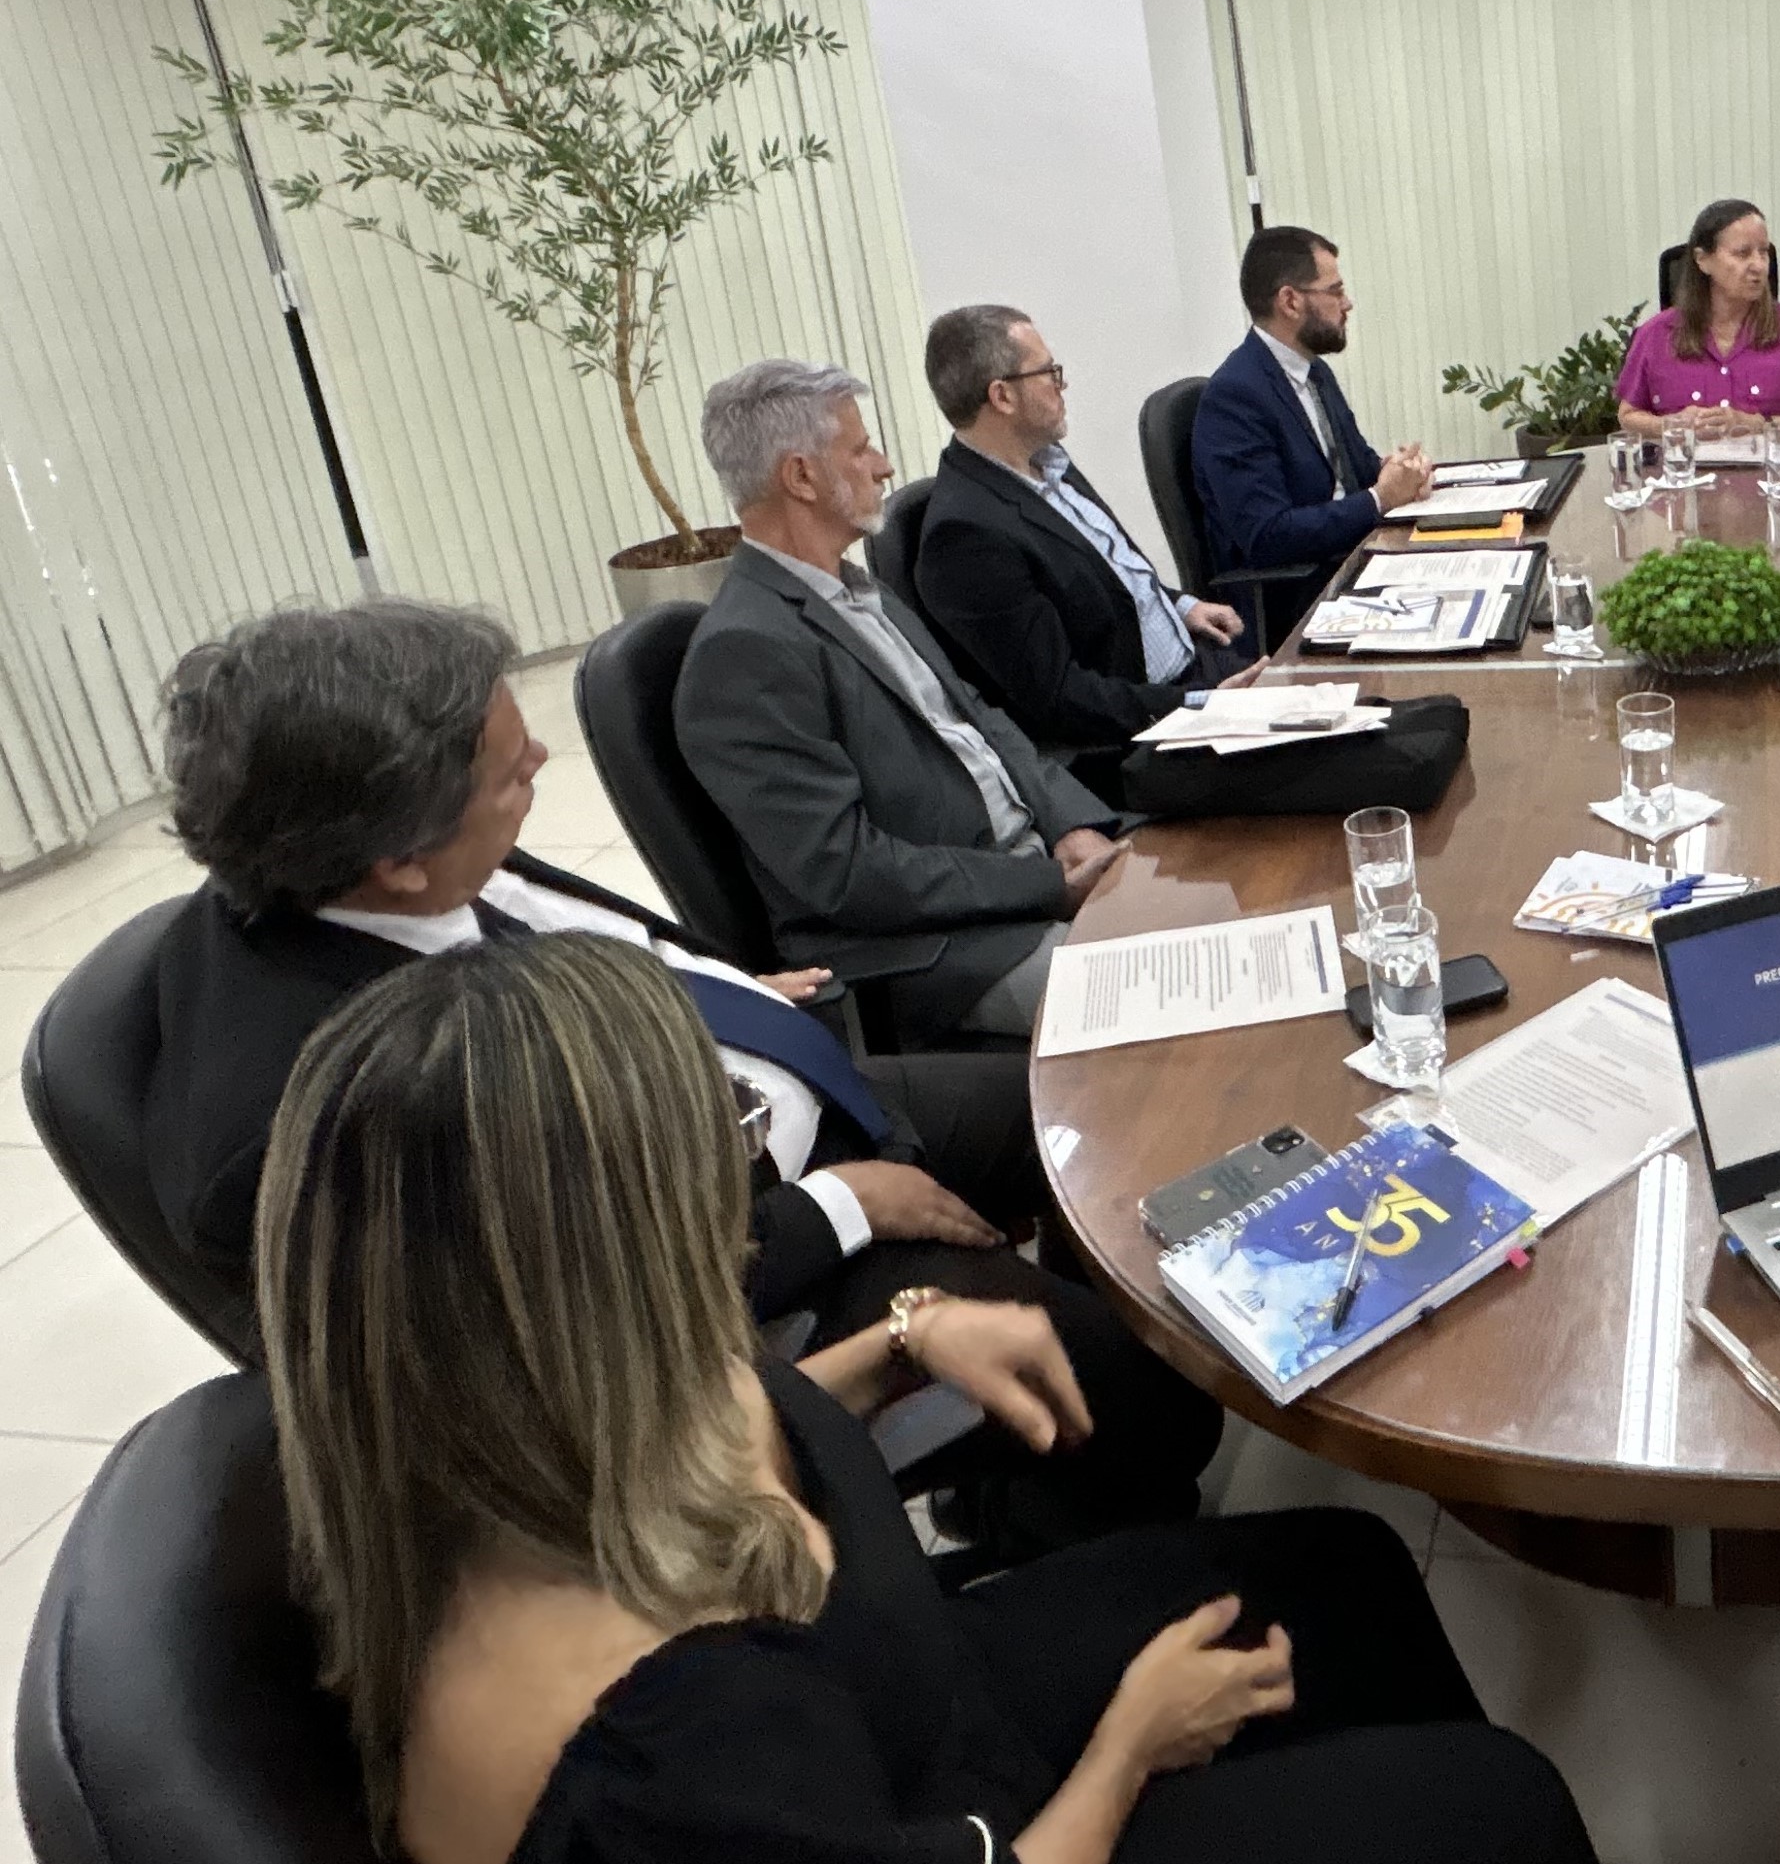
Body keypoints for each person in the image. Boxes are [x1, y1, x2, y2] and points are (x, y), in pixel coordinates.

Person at [259, 935, 1681, 1864]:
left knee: (1341, 1577)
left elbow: (713, 1434)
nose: (744, 1197)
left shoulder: (491, 1420)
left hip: (904, 1730)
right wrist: (1131, 1746)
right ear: (602, 1268)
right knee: (1497, 1818)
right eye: (728, 1163)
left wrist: (900, 1338)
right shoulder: (645, 1750)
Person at [146, 598, 1224, 1549]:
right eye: (512, 772)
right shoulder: (349, 1104)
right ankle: (1077, 1540)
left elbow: (598, 943)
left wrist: (735, 991)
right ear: (398, 857)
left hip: (781, 1106)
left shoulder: (384, 849)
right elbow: (590, 1320)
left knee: (1098, 1104)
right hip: (739, 1266)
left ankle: (1031, 1480)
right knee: (1148, 1391)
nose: (540, 773)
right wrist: (839, 1207)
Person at [678, 359, 1129, 1049]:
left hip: (1022, 875)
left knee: (1214, 921)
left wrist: (1068, 824)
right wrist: (1042, 884)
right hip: (939, 949)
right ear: (800, 477)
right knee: (1156, 993)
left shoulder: (860, 589)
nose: (884, 466)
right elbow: (849, 871)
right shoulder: (744, 651)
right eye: (859, 450)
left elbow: (979, 716)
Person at [915, 304, 1258, 790]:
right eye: (1049, 372)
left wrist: (1179, 604)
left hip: (1198, 674)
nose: (1062, 384)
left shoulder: (1047, 464)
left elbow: (1101, 573)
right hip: (1142, 738)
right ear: (1002, 396)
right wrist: (1199, 706)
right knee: (1346, 770)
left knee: (1353, 708)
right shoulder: (966, 536)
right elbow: (1059, 699)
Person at [1190, 225, 1430, 584]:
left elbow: (1358, 469)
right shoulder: (1235, 397)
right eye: (1335, 291)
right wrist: (1380, 498)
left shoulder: (1314, 371)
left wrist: (1401, 472)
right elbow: (1268, 535)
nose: (1347, 304)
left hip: (1351, 560)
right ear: (1290, 301)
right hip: (1299, 597)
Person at [1612, 199, 1780, 439]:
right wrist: (1672, 425)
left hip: (1768, 473)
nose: (1759, 265)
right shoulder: (1655, 334)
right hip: (1684, 473)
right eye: (1742, 253)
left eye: (1763, 252)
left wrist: (1758, 425)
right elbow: (1628, 416)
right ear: (1702, 260)